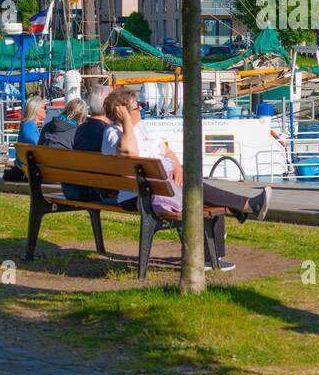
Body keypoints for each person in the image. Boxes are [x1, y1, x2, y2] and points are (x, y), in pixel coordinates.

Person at [102, 86, 271, 272]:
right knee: (198, 191)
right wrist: (126, 122)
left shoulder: (142, 128)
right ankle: (245, 207)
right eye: (136, 108)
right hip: (137, 196)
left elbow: (166, 151)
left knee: (202, 193)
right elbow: (129, 152)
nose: (141, 109)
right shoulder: (113, 134)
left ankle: (235, 221)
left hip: (160, 187)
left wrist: (177, 167)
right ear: (122, 113)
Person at [4, 95, 46, 181]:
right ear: (36, 110)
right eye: (44, 107)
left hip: (26, 166)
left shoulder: (28, 125)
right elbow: (34, 147)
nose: (46, 110)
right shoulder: (30, 126)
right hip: (27, 170)